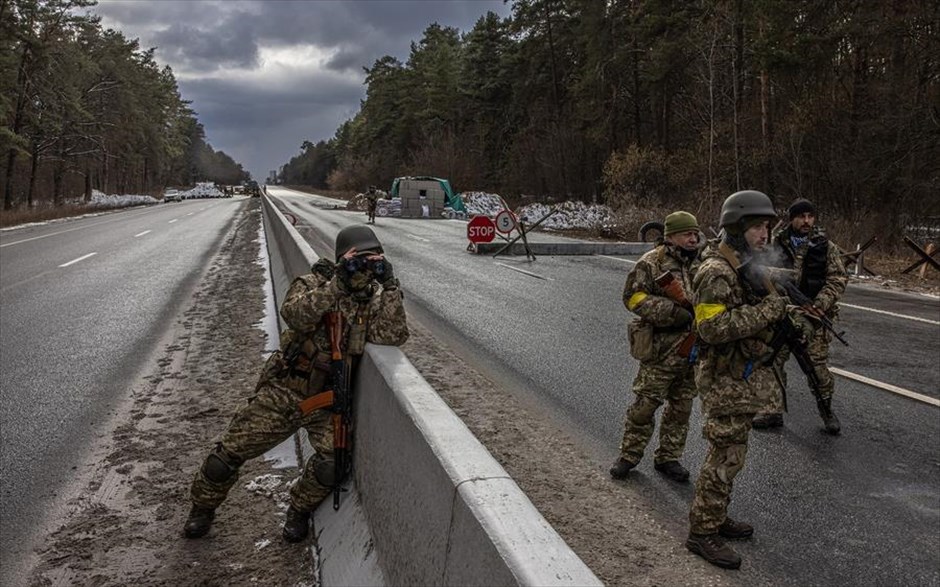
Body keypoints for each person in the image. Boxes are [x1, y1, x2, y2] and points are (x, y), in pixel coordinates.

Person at [183, 225, 409, 542]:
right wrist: (337, 285)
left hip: (327, 400)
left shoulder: (371, 300)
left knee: (333, 465)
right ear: (342, 258)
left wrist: (390, 286)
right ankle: (202, 509)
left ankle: (298, 509)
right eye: (359, 258)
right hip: (285, 390)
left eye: (373, 259)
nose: (365, 266)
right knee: (227, 456)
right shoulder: (315, 283)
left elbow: (392, 335)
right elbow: (295, 315)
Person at [685, 190, 789, 569]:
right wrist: (768, 312)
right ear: (737, 227)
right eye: (758, 227)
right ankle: (701, 533)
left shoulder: (741, 263)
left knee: (733, 454)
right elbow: (711, 328)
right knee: (725, 455)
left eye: (767, 227)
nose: (765, 235)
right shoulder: (715, 271)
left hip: (737, 379)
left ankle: (715, 516)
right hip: (723, 379)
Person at [610, 211, 702, 483]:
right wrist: (671, 311)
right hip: (661, 349)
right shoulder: (651, 264)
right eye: (688, 234)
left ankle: (669, 457)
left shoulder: (703, 264)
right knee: (645, 406)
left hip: (692, 347)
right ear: (671, 236)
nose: (693, 238)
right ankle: (629, 455)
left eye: (696, 234)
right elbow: (632, 297)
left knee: (681, 408)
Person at [752, 198, 846, 434]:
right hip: (781, 314)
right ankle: (772, 410)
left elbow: (837, 279)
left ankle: (827, 412)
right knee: (770, 360)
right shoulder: (775, 244)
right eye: (801, 216)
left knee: (816, 367)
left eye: (810, 216)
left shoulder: (824, 246)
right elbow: (757, 273)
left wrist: (818, 305)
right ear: (792, 218)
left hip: (813, 315)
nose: (806, 221)